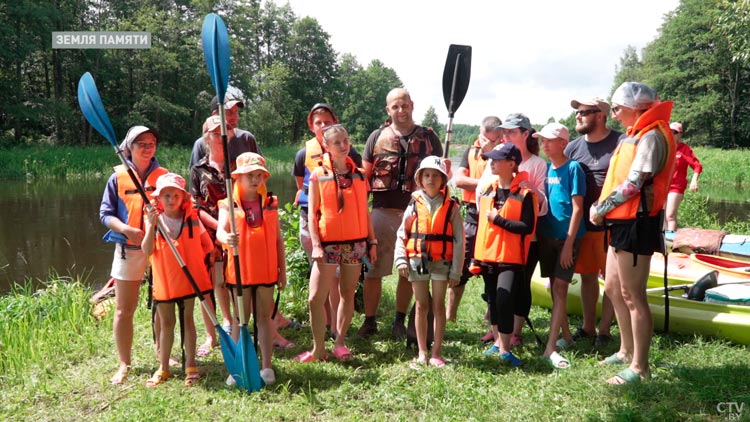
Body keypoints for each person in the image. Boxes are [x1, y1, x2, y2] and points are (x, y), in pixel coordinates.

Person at [590, 82, 675, 385]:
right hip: (621, 222)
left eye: (617, 109)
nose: (613, 116)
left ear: (637, 108)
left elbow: (634, 183)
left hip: (638, 223)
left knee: (633, 294)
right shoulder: (636, 134)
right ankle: (626, 350)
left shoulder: (652, 135)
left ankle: (640, 367)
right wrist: (604, 208)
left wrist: (601, 208)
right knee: (613, 287)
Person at [191, 117, 295, 355]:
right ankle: (216, 334)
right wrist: (223, 228)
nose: (220, 136)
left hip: (246, 232)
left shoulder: (238, 165)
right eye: (215, 133)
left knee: (248, 286)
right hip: (214, 231)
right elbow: (195, 206)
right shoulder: (199, 169)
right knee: (216, 283)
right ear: (206, 137)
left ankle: (268, 333)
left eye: (225, 131)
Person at [359, 87, 443, 338]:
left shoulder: (429, 138)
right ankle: (370, 321)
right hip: (382, 212)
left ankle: (399, 320)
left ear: (412, 105)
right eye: (395, 106)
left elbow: (441, 176)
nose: (401, 110)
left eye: (404, 105)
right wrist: (361, 217)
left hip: (417, 215)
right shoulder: (376, 137)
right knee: (373, 269)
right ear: (388, 110)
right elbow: (363, 179)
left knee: (409, 269)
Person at [300, 124, 377, 362]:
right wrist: (315, 244)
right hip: (327, 245)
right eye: (337, 142)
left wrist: (372, 242)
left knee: (347, 294)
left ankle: (340, 343)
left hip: (355, 245)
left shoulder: (360, 174)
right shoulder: (318, 175)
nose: (343, 145)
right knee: (315, 297)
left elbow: (365, 212)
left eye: (346, 140)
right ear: (326, 146)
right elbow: (312, 214)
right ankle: (318, 348)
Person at [99, 126, 168, 385]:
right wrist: (126, 229)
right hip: (128, 250)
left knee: (162, 306)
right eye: (142, 143)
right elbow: (105, 214)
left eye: (152, 143)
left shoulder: (164, 176)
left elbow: (177, 208)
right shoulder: (117, 177)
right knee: (123, 309)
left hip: (160, 249)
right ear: (129, 147)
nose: (148, 147)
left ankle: (163, 355)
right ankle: (124, 363)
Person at [292, 103, 362, 339]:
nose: (323, 125)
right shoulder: (304, 154)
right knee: (321, 279)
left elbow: (359, 194)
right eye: (318, 122)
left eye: (327, 121)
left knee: (341, 281)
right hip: (315, 226)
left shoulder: (350, 155)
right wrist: (316, 238)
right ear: (312, 127)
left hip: (347, 232)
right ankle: (323, 329)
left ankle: (336, 331)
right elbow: (302, 187)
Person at [217, 152, 287, 386]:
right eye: (250, 175)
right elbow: (220, 232)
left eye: (259, 175)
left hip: (266, 272)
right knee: (240, 320)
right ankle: (238, 367)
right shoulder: (228, 203)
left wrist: (282, 271)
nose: (255, 180)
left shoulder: (270, 203)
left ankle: (266, 366)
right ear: (238, 178)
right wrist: (227, 237)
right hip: (240, 273)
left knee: (265, 318)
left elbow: (278, 239)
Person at [142, 173, 214, 387]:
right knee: (166, 324)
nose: (171, 199)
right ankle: (163, 367)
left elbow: (206, 245)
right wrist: (151, 226)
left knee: (188, 320)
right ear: (158, 199)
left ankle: (190, 364)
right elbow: (147, 249)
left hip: (187, 281)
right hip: (165, 281)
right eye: (166, 195)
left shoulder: (192, 219)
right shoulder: (154, 220)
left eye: (175, 195)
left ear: (183, 198)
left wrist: (194, 260)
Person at [395, 156, 464, 368]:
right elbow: (402, 234)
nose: (430, 179)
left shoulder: (451, 207)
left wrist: (456, 271)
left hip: (441, 262)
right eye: (426, 175)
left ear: (443, 180)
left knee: (438, 306)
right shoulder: (413, 204)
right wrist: (401, 259)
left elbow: (460, 240)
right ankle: (422, 352)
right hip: (417, 260)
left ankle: (436, 352)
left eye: (435, 175)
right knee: (421, 305)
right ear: (420, 179)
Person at [564, 97, 622, 347]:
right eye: (577, 112)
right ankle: (588, 327)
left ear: (600, 115)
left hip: (612, 224)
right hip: (583, 225)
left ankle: (605, 331)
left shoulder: (620, 142)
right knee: (588, 276)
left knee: (611, 280)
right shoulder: (572, 148)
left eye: (584, 112)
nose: (578, 116)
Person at [474, 143, 537, 367]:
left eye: (497, 159)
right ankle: (497, 342)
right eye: (490, 159)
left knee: (504, 298)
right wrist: (476, 257)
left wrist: (498, 220)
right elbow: (482, 226)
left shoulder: (526, 194)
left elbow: (526, 227)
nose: (491, 162)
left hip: (511, 257)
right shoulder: (487, 190)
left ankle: (506, 349)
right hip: (488, 255)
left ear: (511, 163)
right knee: (492, 299)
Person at [534, 123, 585, 369]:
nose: (544, 144)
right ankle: (566, 336)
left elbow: (577, 208)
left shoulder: (573, 168)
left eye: (549, 140)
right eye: (542, 140)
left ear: (563, 143)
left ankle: (550, 347)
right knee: (555, 288)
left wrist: (569, 244)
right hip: (546, 235)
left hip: (567, 239)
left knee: (561, 289)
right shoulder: (544, 168)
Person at [496, 114, 548, 347]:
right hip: (500, 237)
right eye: (504, 132)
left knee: (521, 283)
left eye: (511, 132)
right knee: (498, 285)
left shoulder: (537, 164)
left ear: (526, 134)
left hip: (529, 237)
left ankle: (516, 331)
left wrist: (534, 191)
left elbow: (544, 206)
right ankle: (498, 331)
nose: (505, 136)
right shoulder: (498, 159)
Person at [449, 116, 503, 324]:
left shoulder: (505, 154)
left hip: (495, 218)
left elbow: (504, 181)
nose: (483, 142)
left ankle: (492, 318)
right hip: (472, 216)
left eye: (489, 140)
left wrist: (492, 156)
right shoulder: (471, 151)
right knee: (461, 268)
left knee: (494, 272)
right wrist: (484, 183)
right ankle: (450, 316)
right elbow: (460, 180)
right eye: (481, 137)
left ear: (499, 138)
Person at [189, 92, 261, 169]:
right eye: (229, 112)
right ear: (215, 114)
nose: (235, 117)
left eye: (236, 111)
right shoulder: (201, 144)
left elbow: (261, 172)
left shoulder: (247, 138)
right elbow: (195, 176)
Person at [665, 122, 702, 231]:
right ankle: (667, 242)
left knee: (670, 215)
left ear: (680, 134)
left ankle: (671, 242)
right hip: (663, 186)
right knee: (663, 217)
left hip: (676, 186)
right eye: (669, 131)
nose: (671, 134)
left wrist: (694, 181)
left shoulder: (684, 149)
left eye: (675, 132)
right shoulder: (664, 146)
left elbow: (697, 166)